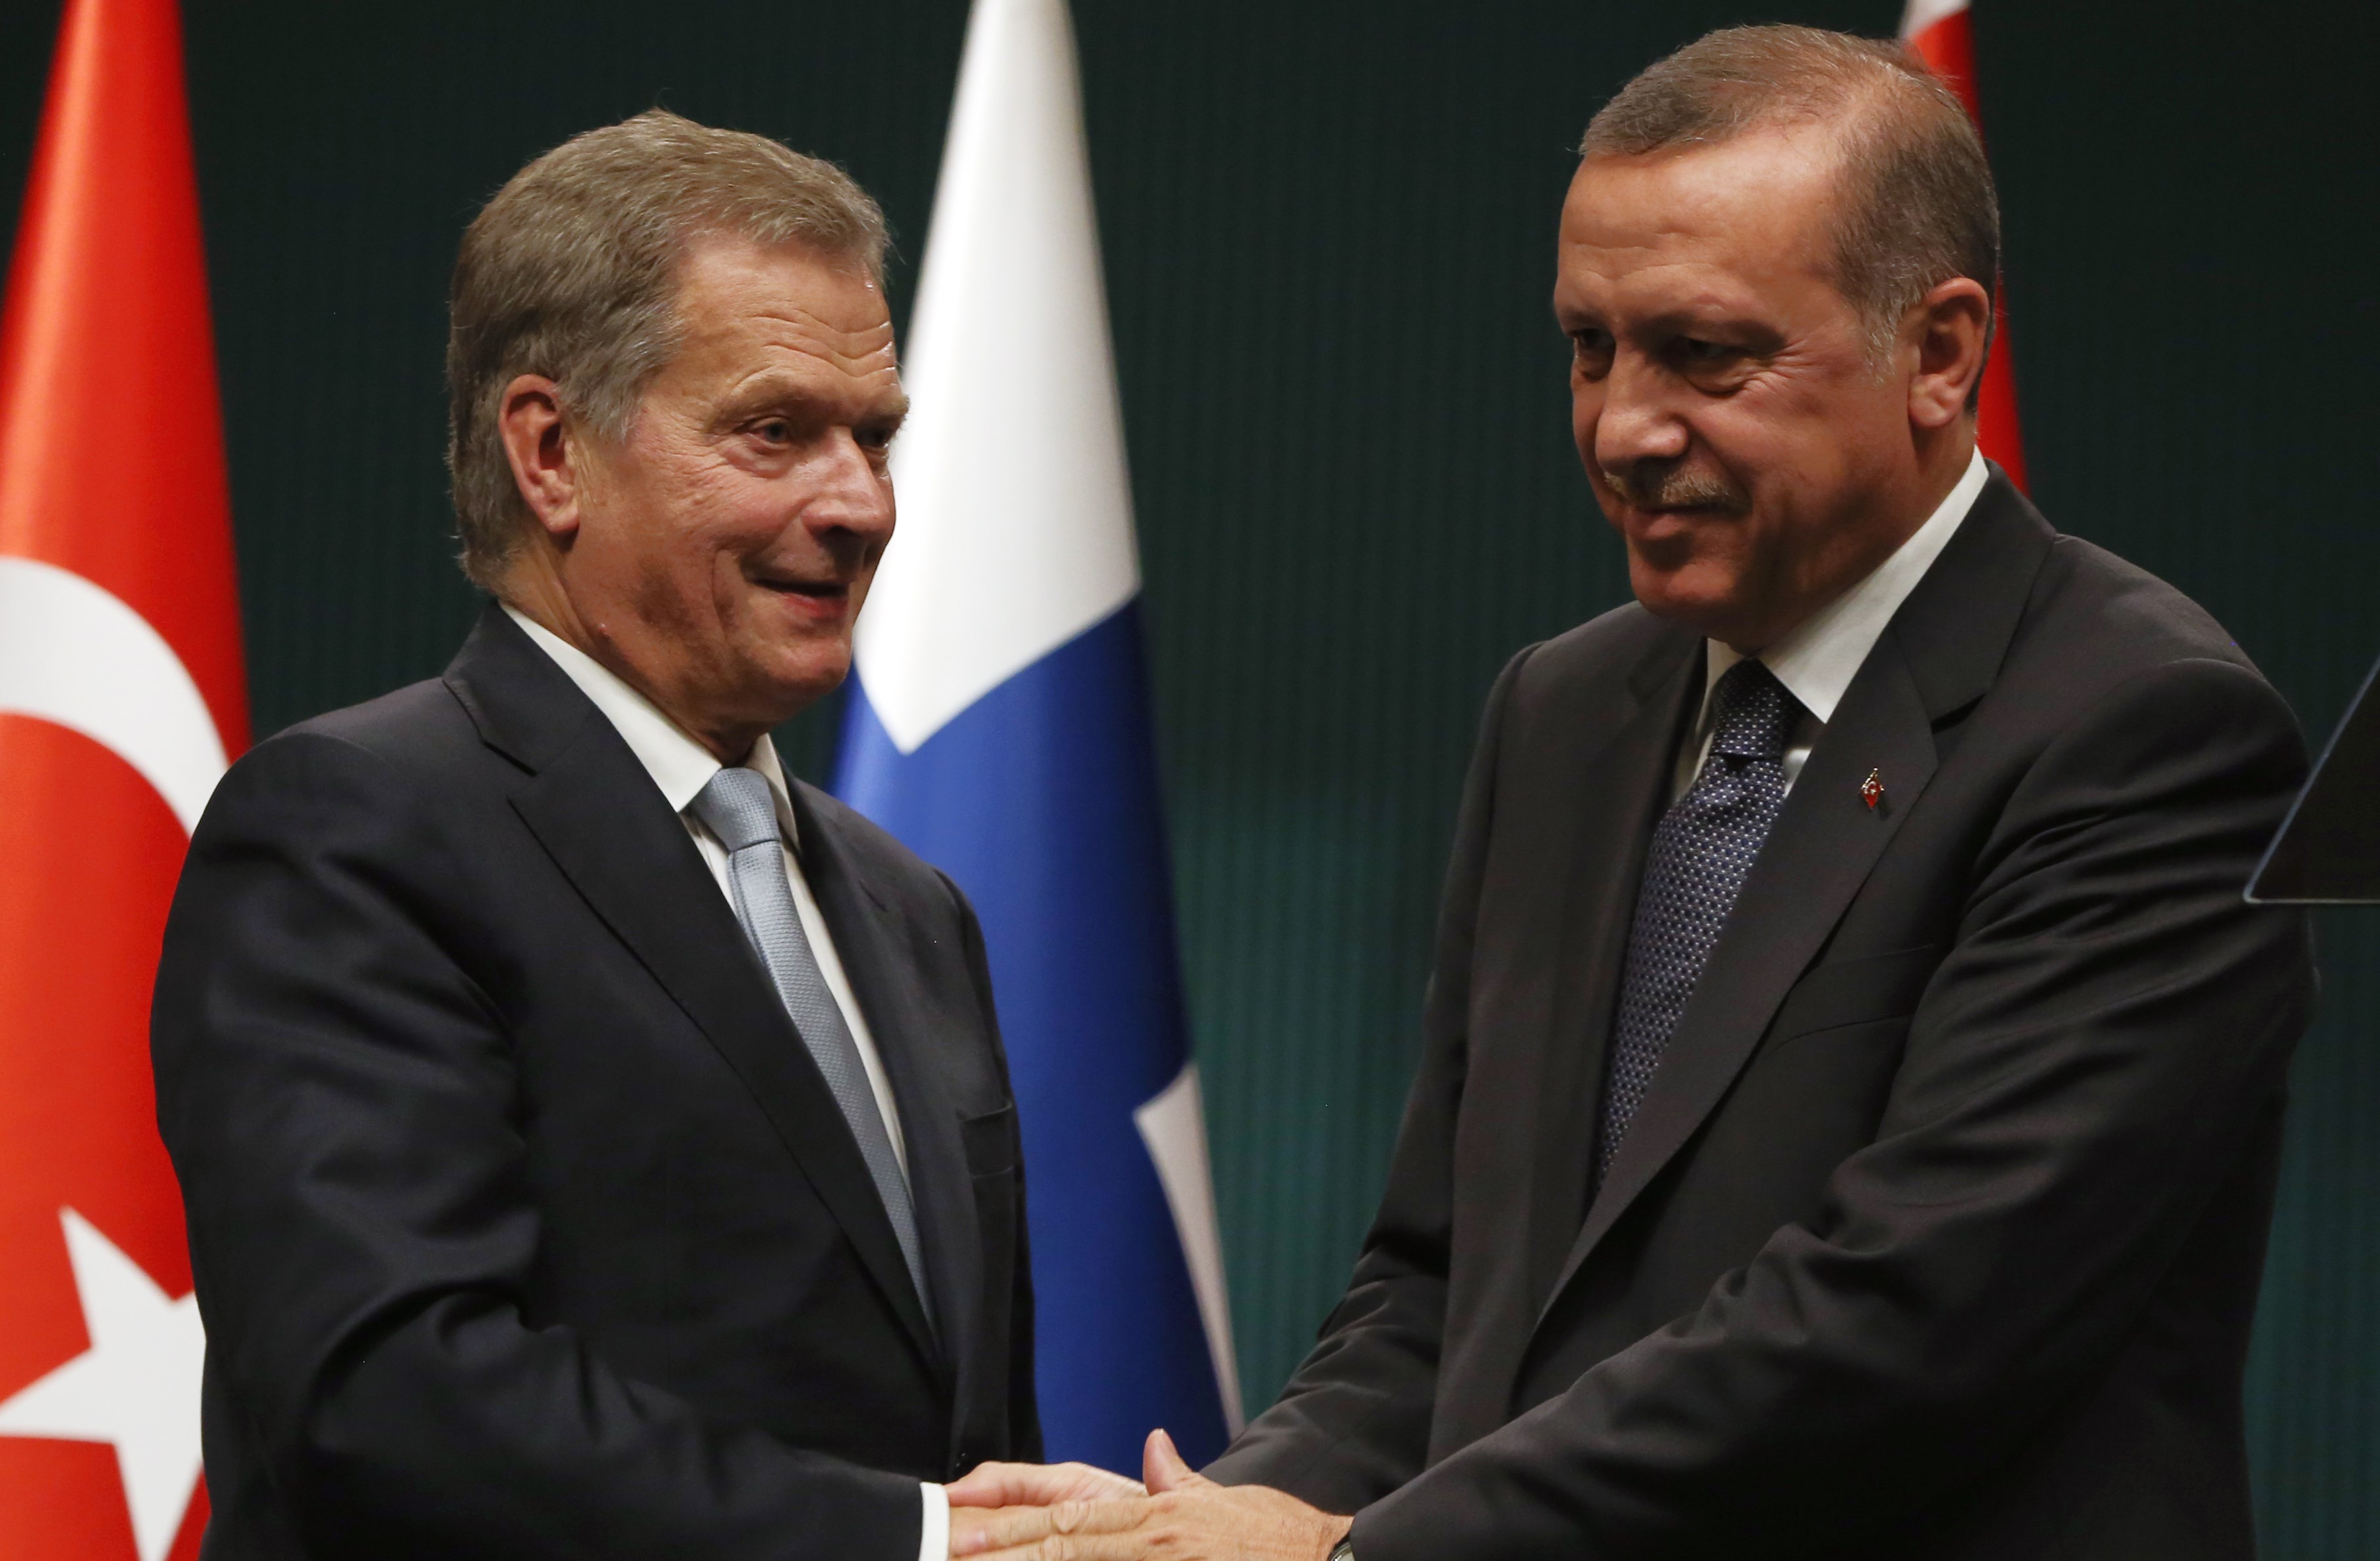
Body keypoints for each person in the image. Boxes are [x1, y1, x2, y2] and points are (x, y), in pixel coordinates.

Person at [946, 25, 2314, 1561]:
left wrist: (1341, 1555)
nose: (1621, 428)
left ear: (1940, 353)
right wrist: (1192, 1522)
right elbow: (1442, 1281)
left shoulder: (2145, 732)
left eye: (1704, 355)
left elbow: (1910, 1323)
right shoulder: (1564, 707)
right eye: (1590, 346)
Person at [151, 111, 1040, 1560]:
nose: (861, 503)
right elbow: (390, 1394)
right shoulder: (354, 832)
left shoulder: (908, 906)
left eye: (874, 436)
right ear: (552, 450)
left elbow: (959, 1423)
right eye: (776, 430)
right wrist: (911, 1540)